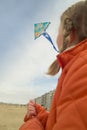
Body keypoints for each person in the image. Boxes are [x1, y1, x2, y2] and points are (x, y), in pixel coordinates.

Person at [19, 0, 87, 130]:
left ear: (69, 34)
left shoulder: (82, 68)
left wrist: (31, 124)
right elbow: (62, 119)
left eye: (58, 30)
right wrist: (39, 114)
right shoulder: (77, 66)